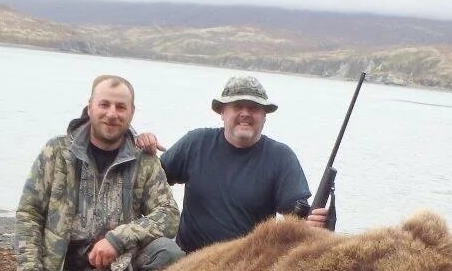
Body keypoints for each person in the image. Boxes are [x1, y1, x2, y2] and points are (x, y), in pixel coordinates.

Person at [0, 75, 181, 271]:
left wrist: (118, 239)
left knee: (168, 252)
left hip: (122, 268)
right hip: (65, 270)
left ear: (132, 112)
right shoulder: (56, 152)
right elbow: (29, 214)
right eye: (104, 105)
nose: (112, 114)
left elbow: (168, 214)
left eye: (121, 107)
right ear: (90, 107)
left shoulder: (144, 160)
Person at [135, 75, 328, 253]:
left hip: (244, 267)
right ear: (222, 112)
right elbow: (147, 187)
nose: (245, 113)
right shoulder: (195, 143)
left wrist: (314, 223)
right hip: (188, 263)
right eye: (237, 106)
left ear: (264, 115)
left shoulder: (281, 157)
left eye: (253, 108)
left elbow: (298, 221)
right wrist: (144, 152)